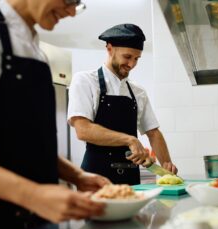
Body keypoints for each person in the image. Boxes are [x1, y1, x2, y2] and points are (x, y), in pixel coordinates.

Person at [0, 0, 111, 229]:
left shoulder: (36, 51)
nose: (73, 12)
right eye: (69, 1)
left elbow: (26, 142)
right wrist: (33, 195)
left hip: (35, 227)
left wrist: (77, 176)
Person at [68, 23, 178, 185]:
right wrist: (130, 140)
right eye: (127, 57)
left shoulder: (138, 91)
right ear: (110, 49)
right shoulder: (85, 80)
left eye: (136, 59)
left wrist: (166, 167)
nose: (132, 64)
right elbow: (83, 130)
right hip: (96, 178)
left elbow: (153, 133)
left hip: (130, 178)